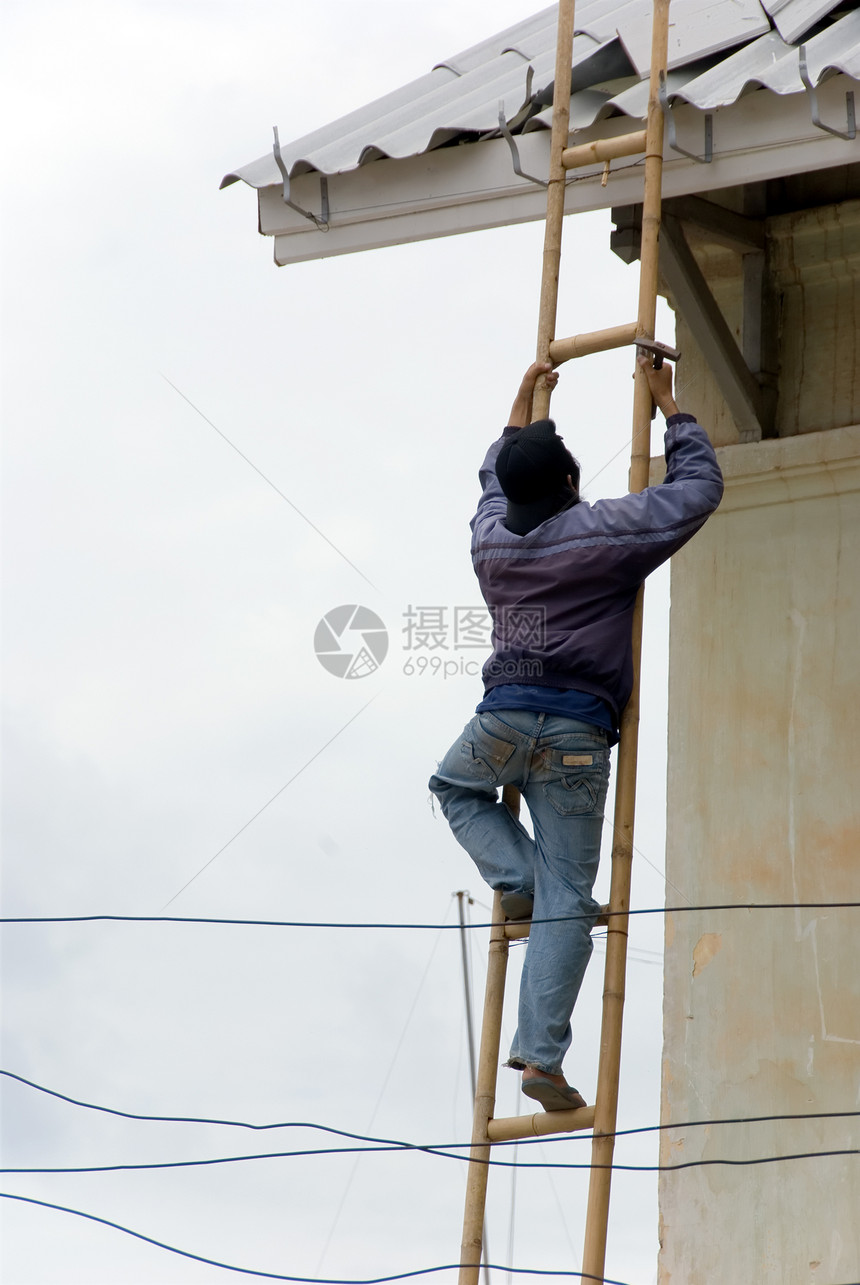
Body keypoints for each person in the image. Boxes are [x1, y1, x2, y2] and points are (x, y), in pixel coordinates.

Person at [429, 355, 723, 1111]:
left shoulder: (491, 542)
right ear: (568, 483)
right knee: (568, 894)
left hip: (499, 721)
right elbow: (695, 493)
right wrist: (672, 410)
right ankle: (540, 1058)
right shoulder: (604, 533)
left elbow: (492, 477)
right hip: (576, 735)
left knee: (453, 786)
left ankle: (519, 881)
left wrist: (520, 407)